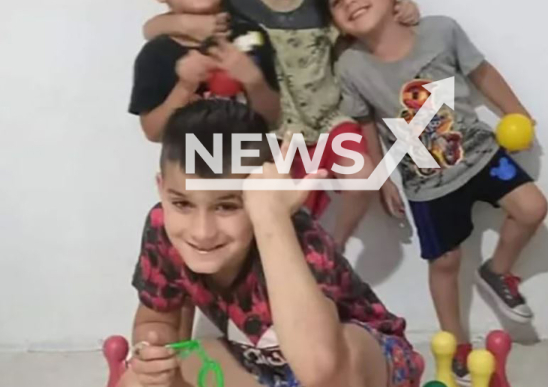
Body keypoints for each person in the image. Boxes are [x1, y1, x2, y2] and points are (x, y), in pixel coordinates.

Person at [314, 0, 548, 386]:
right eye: (336, 0)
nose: (349, 1)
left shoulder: (440, 31)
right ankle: (455, 341)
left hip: (480, 153)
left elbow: (482, 74)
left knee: (532, 207)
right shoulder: (350, 66)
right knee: (444, 261)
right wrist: (380, 176)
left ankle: (498, 272)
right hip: (427, 182)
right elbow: (364, 124)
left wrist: (516, 111)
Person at [142, 0, 421, 249]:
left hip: (329, 119)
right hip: (276, 132)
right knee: (288, 211)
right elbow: (152, 27)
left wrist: (400, 7)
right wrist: (186, 25)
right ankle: (299, 260)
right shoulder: (233, 0)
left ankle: (335, 248)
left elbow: (359, 8)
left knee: (363, 176)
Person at [118, 99, 424, 387]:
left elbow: (324, 370)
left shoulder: (295, 234)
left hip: (363, 366)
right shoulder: (162, 227)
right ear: (162, 188)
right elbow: (156, 318)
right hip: (266, 366)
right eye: (182, 204)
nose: (202, 232)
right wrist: (151, 348)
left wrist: (271, 218)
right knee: (136, 381)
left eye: (227, 206)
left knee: (338, 360)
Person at [128, 0, 280, 142]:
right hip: (191, 169)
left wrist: (254, 80)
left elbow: (272, 118)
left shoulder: (251, 37)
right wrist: (185, 87)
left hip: (249, 162)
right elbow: (153, 132)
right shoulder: (156, 54)